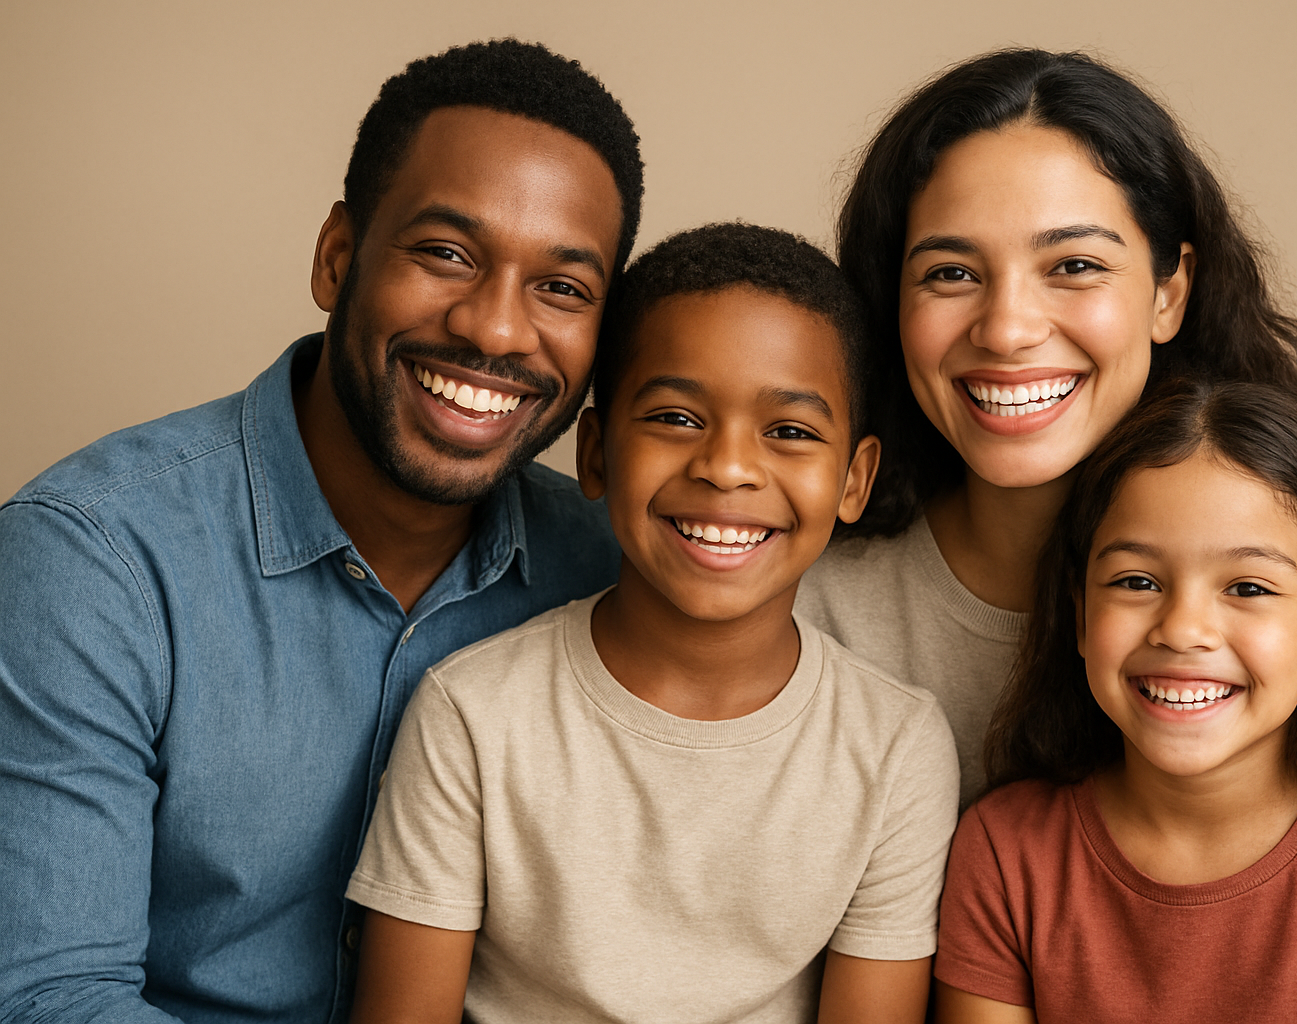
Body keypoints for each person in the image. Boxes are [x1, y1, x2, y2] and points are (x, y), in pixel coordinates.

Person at [791, 47, 1297, 1017]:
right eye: (949, 272)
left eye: (1075, 265)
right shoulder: (814, 599)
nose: (1009, 326)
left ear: (1170, 291)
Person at [0, 39, 642, 1023]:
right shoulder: (93, 560)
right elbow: (51, 997)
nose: (496, 330)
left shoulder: (611, 570)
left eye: (562, 287)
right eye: (447, 253)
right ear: (338, 257)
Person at [342, 224, 960, 1024]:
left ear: (855, 479)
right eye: (675, 418)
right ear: (594, 455)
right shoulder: (473, 714)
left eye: (790, 432)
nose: (728, 466)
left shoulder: (896, 747)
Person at [933, 379, 1297, 1023]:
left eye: (1249, 588)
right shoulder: (1005, 851)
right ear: (1081, 615)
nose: (1182, 628)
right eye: (1137, 581)